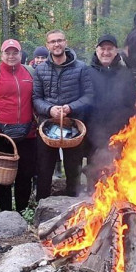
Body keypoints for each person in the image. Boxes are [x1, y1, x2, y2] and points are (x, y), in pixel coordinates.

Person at [32, 30, 94, 200]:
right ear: (47, 45)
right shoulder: (40, 69)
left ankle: (73, 208)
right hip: (47, 126)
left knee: (73, 170)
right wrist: (49, 109)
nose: (56, 44)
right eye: (52, 42)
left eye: (59, 41)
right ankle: (41, 206)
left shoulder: (81, 68)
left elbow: (89, 96)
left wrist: (70, 107)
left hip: (73, 125)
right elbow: (36, 98)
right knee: (44, 170)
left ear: (65, 43)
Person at [0, 39, 38, 212]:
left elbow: (36, 99)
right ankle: (5, 211)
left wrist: (37, 122)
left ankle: (22, 211)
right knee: (2, 176)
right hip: (0, 134)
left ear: (21, 54)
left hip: (28, 134)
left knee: (25, 175)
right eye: (7, 52)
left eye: (15, 52)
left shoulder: (30, 73)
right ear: (2, 54)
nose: (11, 56)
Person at [86, 34, 135, 177]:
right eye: (103, 48)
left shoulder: (126, 74)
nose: (106, 52)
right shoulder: (87, 72)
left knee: (117, 172)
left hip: (118, 133)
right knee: (94, 172)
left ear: (116, 52)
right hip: (93, 133)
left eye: (110, 49)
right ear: (96, 50)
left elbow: (131, 104)